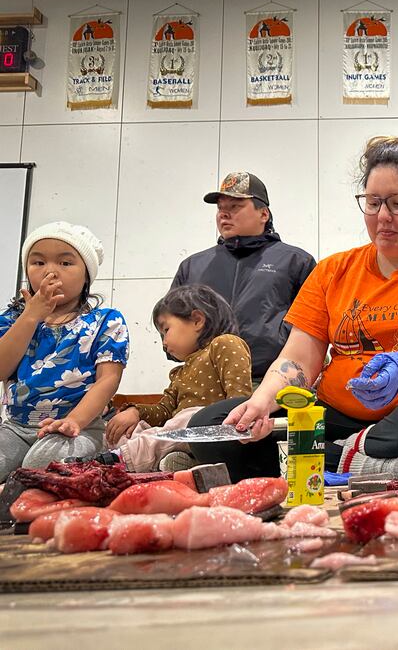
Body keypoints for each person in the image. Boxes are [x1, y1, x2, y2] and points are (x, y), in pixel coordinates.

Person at [186, 137, 398, 482]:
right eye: (373, 203)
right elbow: (299, 360)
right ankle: (374, 464)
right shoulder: (333, 270)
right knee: (210, 425)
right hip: (334, 417)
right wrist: (262, 401)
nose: (383, 217)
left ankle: (338, 455)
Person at [0, 222, 129, 482]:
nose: (50, 271)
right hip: (15, 427)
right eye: (39, 262)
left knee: (40, 465)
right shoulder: (13, 319)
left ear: (86, 276)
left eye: (65, 263)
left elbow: (108, 379)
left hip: (78, 427)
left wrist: (75, 421)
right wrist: (30, 316)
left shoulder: (106, 321)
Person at [172, 171, 316, 382]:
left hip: (270, 382)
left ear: (264, 214)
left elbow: (313, 327)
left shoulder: (296, 262)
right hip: (203, 384)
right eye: (220, 208)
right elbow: (171, 324)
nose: (224, 214)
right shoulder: (192, 266)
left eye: (235, 206)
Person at [93, 285, 253, 472]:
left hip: (212, 431)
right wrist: (136, 412)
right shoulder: (180, 372)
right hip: (179, 435)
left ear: (197, 320)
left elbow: (239, 402)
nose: (164, 343)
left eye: (166, 330)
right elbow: (164, 411)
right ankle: (178, 461)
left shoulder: (225, 344)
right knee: (133, 429)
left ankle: (121, 459)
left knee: (189, 417)